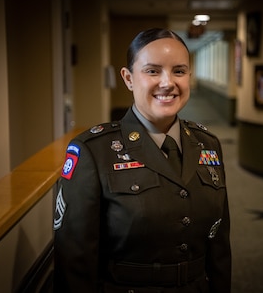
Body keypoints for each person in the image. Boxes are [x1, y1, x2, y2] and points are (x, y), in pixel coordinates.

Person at [53, 28, 231, 293]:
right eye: (152, 71)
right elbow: (75, 262)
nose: (168, 82)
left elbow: (219, 246)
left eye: (179, 71)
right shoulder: (93, 152)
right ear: (128, 78)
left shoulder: (208, 145)